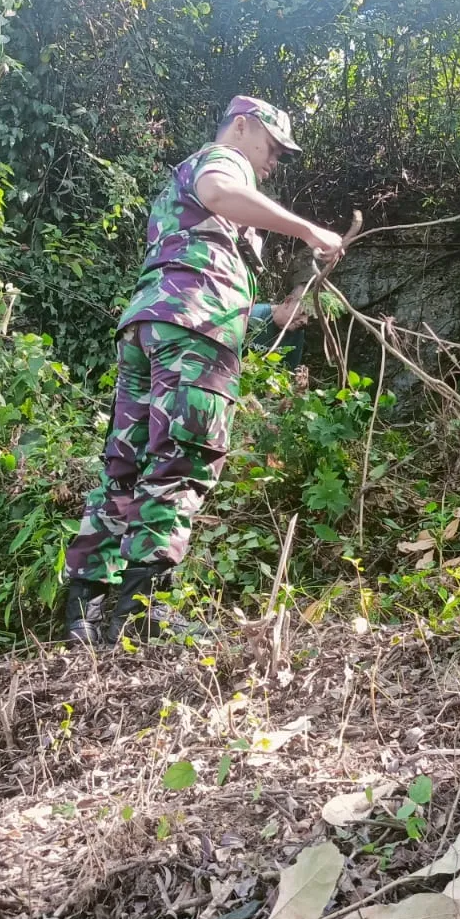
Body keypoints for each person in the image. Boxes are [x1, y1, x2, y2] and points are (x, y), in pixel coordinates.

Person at [60, 96, 343, 644]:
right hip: (191, 333)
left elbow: (195, 272)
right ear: (243, 127)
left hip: (148, 328)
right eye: (273, 147)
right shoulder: (223, 161)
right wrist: (310, 231)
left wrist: (273, 310)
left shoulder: (181, 189)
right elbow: (220, 193)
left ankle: (86, 613)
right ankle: (141, 616)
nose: (274, 162)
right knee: (182, 460)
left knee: (126, 463)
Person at [247, 283, 311, 370]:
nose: (305, 321)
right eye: (303, 313)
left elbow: (290, 369)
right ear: (288, 301)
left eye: (309, 317)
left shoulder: (297, 333)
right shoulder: (251, 315)